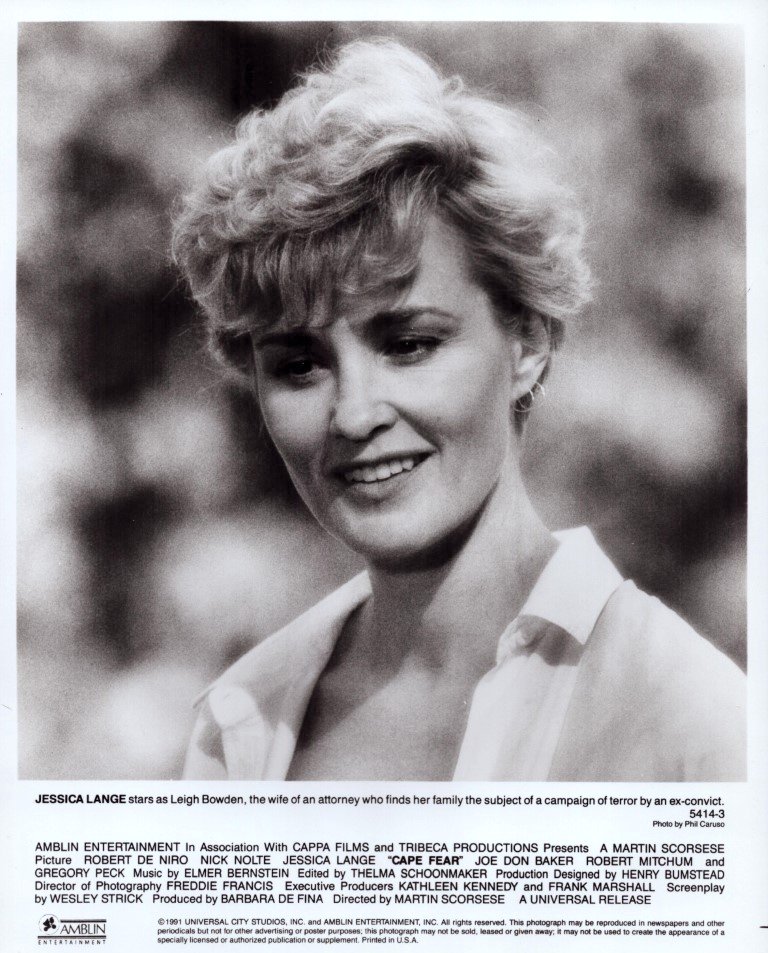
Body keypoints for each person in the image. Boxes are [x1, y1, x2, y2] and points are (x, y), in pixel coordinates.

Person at [174, 39, 745, 782]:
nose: (354, 415)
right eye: (300, 365)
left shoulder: (689, 715)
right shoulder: (242, 720)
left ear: (528, 343)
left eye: (409, 344)